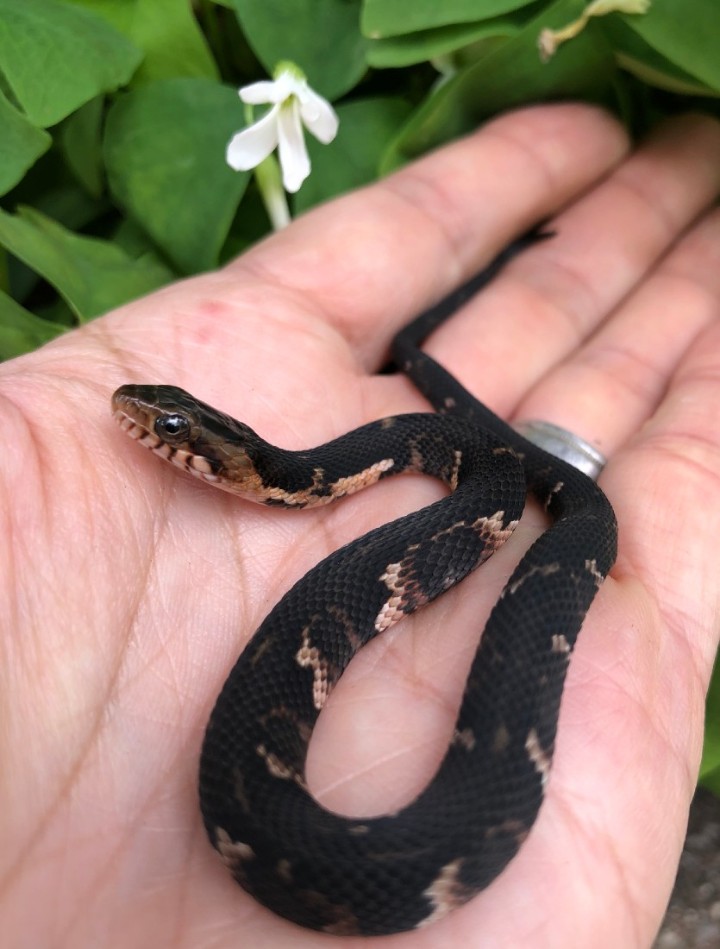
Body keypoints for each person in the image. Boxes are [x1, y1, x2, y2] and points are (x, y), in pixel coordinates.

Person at [1, 103, 719, 948]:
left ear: (233, 462)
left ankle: (436, 359)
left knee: (564, 511)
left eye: (174, 431)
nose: (156, 430)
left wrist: (553, 501)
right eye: (172, 429)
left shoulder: (395, 473)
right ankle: (425, 352)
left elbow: (480, 481)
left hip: (471, 480)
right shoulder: (335, 477)